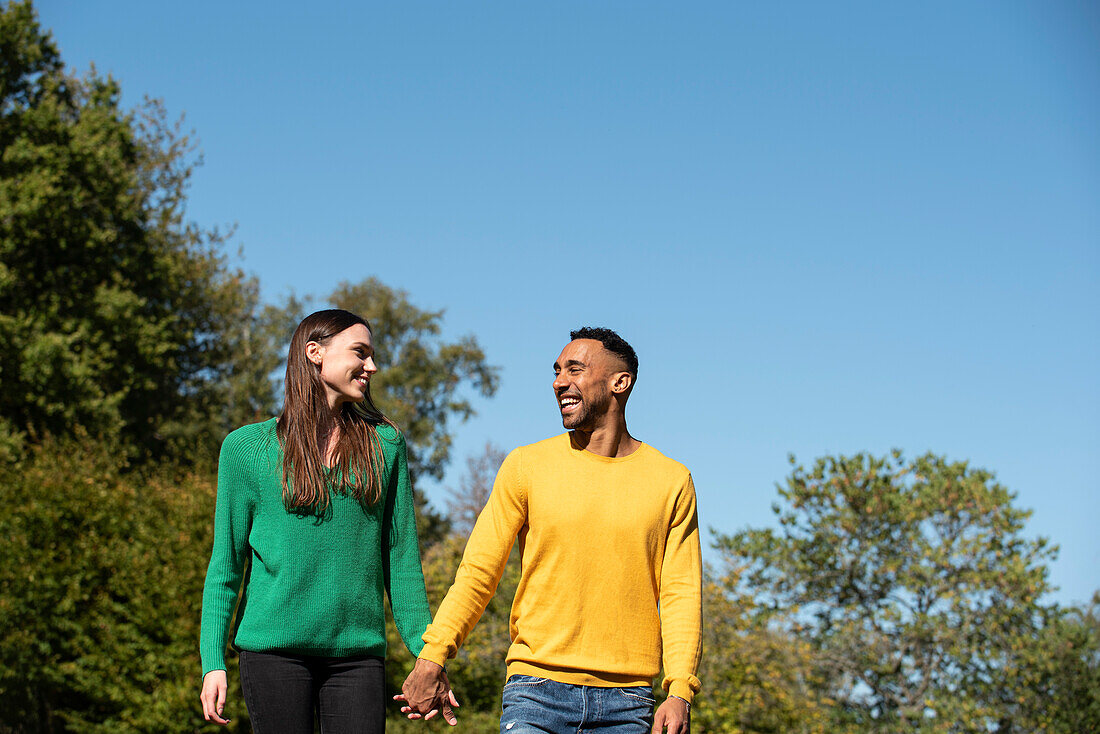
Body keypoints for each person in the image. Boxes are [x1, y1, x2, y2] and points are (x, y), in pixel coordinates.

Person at [398, 327, 702, 734]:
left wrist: (680, 689)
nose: (559, 382)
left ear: (620, 382)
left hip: (629, 703)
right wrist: (433, 655)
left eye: (574, 369)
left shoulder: (671, 481)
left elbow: (681, 592)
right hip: (535, 692)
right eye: (557, 371)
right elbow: (478, 573)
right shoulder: (527, 466)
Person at [199, 309, 449, 733]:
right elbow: (225, 566)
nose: (372, 366)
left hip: (356, 658)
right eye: (360, 352)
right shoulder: (245, 449)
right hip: (271, 654)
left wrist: (429, 657)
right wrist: (212, 662)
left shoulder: (386, 444)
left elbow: (402, 563)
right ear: (315, 353)